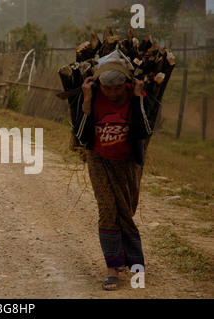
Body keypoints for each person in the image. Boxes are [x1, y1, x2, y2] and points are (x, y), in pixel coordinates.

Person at [73, 50, 153, 291]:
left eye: (118, 88)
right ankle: (112, 268)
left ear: (127, 84)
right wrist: (87, 102)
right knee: (108, 208)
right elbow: (80, 136)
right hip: (100, 161)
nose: (114, 92)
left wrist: (138, 99)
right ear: (100, 85)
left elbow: (143, 132)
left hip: (128, 163)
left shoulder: (136, 95)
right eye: (108, 89)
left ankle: (133, 262)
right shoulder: (91, 95)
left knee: (126, 211)